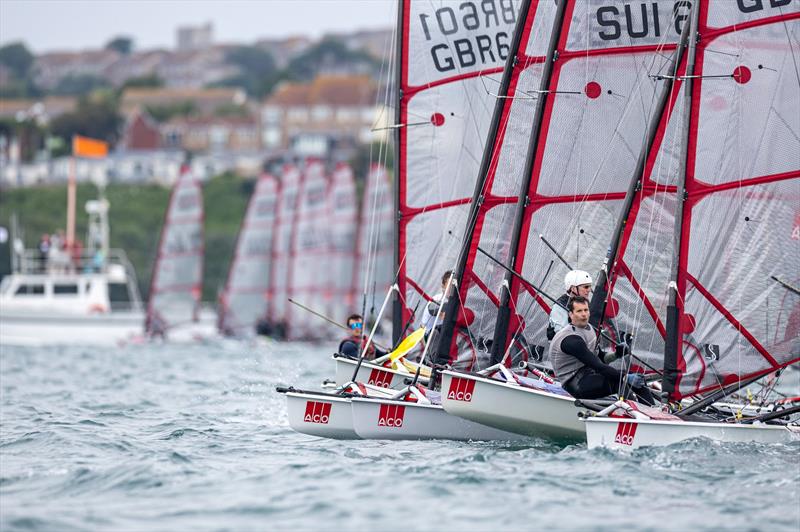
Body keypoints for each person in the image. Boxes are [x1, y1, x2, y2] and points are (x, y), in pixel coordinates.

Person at [549, 296, 655, 406]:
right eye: (579, 311)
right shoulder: (571, 340)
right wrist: (625, 377)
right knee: (619, 381)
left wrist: (617, 354)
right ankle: (635, 414)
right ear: (571, 315)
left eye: (586, 310)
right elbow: (598, 366)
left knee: (637, 378)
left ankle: (653, 411)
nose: (584, 314)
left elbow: (599, 357)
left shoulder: (588, 329)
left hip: (588, 375)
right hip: (574, 384)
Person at [547, 269, 593, 340]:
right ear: (573, 288)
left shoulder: (583, 303)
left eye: (590, 286)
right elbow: (562, 335)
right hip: (563, 347)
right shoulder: (560, 306)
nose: (589, 290)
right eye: (586, 287)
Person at [420, 270, 454, 336]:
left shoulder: (457, 301)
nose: (452, 288)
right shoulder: (436, 299)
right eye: (450, 285)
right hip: (430, 336)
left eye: (454, 285)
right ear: (443, 286)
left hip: (446, 336)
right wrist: (442, 312)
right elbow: (432, 308)